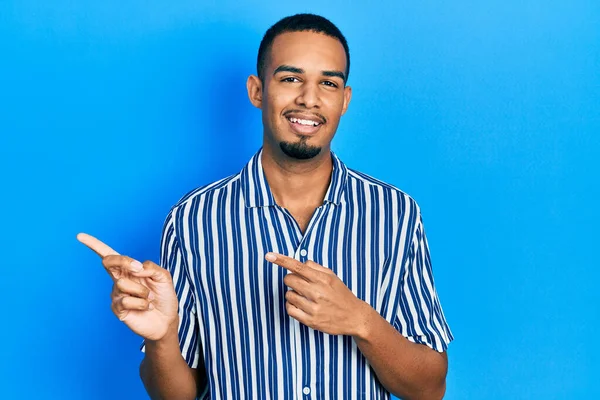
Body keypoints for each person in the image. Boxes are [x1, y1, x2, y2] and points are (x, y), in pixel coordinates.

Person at [78, 13, 453, 400]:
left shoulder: (395, 215)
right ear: (257, 91)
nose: (309, 98)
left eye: (328, 82)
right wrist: (162, 338)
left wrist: (360, 320)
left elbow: (429, 388)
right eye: (291, 79)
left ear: (344, 100)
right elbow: (177, 395)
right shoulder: (192, 221)